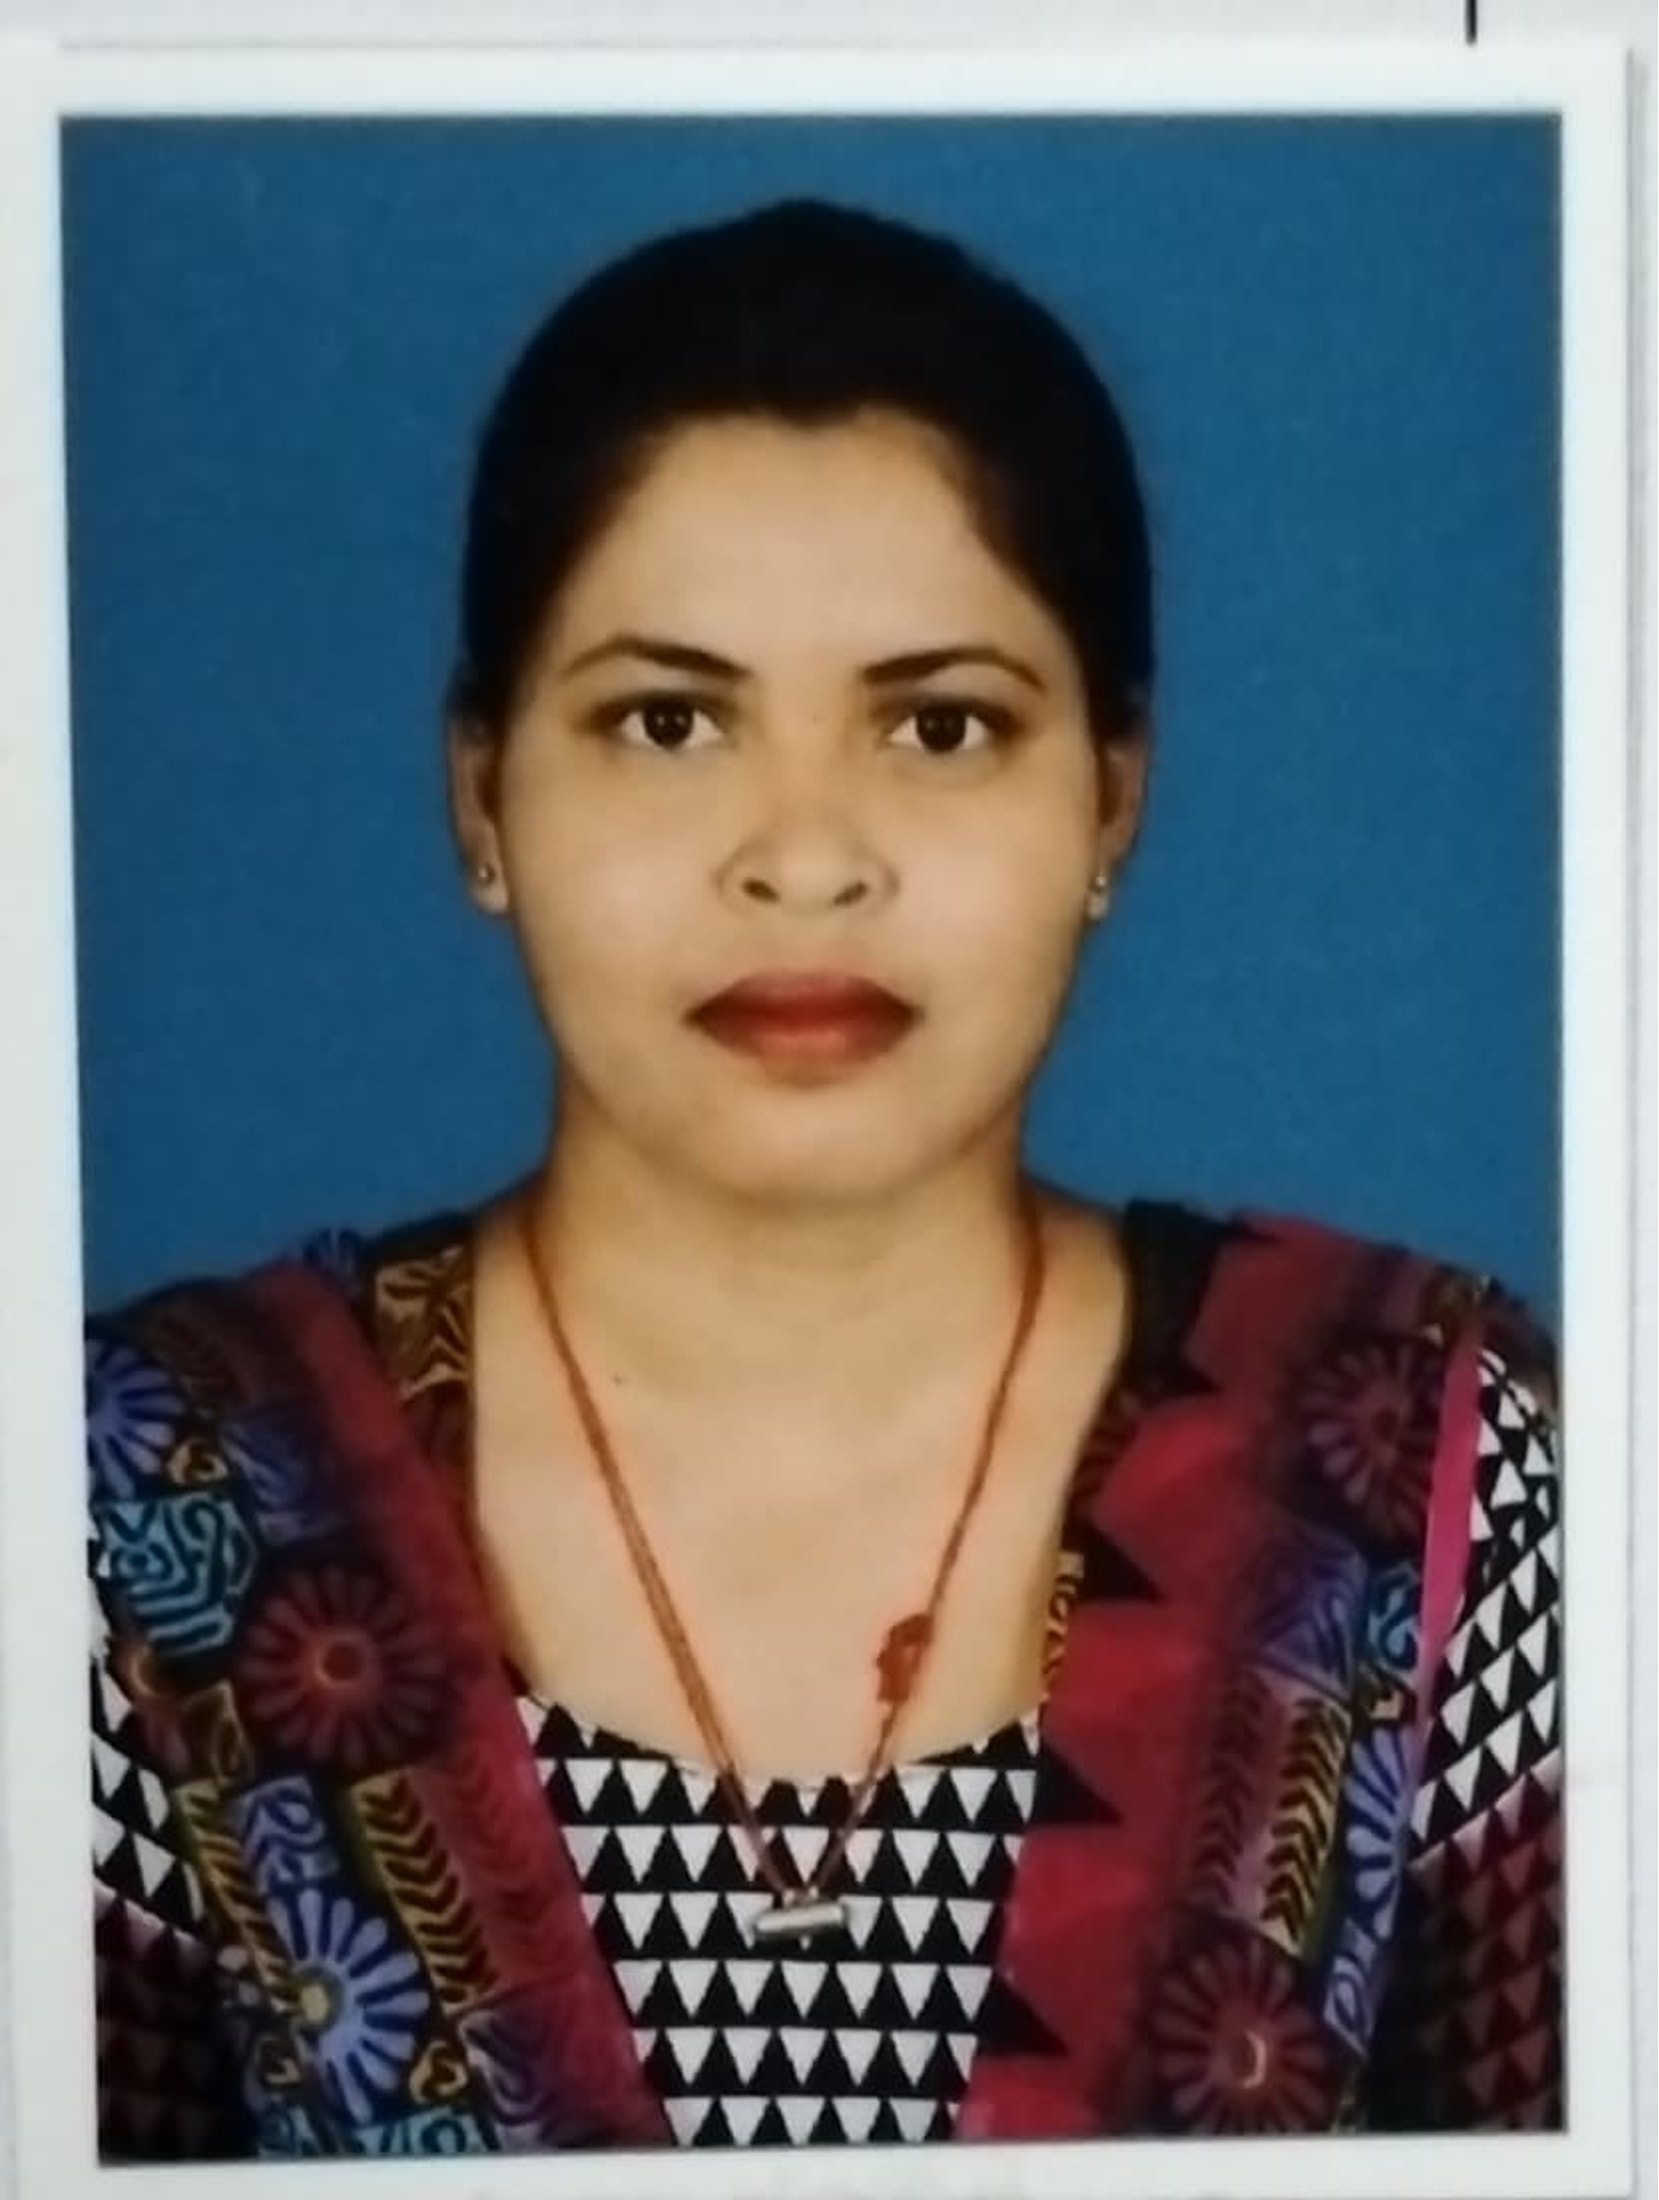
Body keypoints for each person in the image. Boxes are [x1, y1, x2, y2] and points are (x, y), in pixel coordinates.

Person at [85, 198, 1562, 2161]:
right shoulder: (136, 1495)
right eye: (666, 720)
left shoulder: (1426, 1471)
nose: (804, 858)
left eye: (941, 724)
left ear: (1110, 798)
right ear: (481, 793)